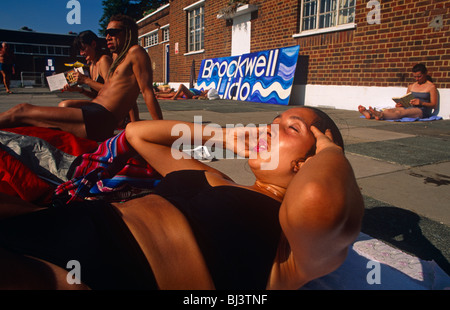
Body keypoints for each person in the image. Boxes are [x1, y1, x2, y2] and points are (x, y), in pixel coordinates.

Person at [0, 107, 364, 290]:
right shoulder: (214, 177)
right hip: (64, 226)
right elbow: (139, 135)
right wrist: (219, 136)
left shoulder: (291, 250)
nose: (270, 127)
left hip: (103, 272)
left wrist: (331, 152)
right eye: (274, 119)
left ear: (309, 162)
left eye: (291, 128)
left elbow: (320, 201)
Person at [0, 15, 162, 142]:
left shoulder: (136, 52)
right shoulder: (117, 59)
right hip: (94, 112)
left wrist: (160, 131)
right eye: (106, 33)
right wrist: (79, 90)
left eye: (113, 32)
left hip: (99, 117)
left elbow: (147, 92)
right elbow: (125, 97)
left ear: (128, 33)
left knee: (22, 110)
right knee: (29, 121)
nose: (107, 37)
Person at [59, 30, 140, 124]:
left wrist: (85, 80)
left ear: (93, 44)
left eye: (83, 49)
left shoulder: (104, 60)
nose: (81, 53)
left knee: (65, 105)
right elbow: (100, 95)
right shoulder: (92, 65)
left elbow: (112, 92)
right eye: (79, 51)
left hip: (113, 110)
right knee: (64, 106)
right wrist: (80, 90)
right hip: (102, 105)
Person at [358, 64, 438, 120]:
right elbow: (406, 99)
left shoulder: (431, 87)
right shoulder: (411, 86)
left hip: (422, 110)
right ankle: (369, 114)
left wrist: (421, 103)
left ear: (425, 73)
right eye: (415, 77)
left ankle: (380, 115)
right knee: (390, 110)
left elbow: (434, 105)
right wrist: (401, 103)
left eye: (419, 76)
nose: (417, 79)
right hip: (410, 107)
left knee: (400, 113)